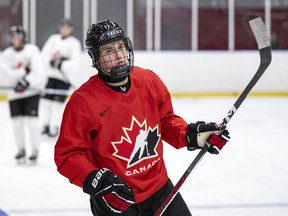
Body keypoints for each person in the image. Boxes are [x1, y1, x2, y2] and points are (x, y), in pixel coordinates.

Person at [54, 20, 230, 215]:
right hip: (116, 197)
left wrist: (190, 135)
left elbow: (165, 120)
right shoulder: (83, 101)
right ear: (96, 58)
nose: (119, 55)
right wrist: (96, 179)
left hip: (160, 188)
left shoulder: (148, 80)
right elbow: (68, 154)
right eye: (109, 51)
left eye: (121, 47)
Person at [1, 26, 45, 162]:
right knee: (17, 124)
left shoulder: (32, 51)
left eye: (18, 37)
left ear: (23, 38)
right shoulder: (7, 54)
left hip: (30, 93)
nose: (15, 40)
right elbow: (7, 74)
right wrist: (24, 72)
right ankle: (21, 149)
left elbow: (38, 71)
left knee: (32, 123)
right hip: (13, 94)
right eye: (13, 37)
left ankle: (35, 150)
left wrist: (27, 82)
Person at [41, 18, 82, 137]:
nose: (64, 30)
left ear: (71, 29)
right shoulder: (53, 39)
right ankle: (45, 125)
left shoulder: (74, 43)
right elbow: (44, 55)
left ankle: (55, 126)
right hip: (51, 76)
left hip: (64, 79)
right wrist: (50, 61)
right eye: (63, 27)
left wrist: (62, 64)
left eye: (67, 27)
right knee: (46, 101)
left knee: (58, 104)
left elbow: (76, 62)